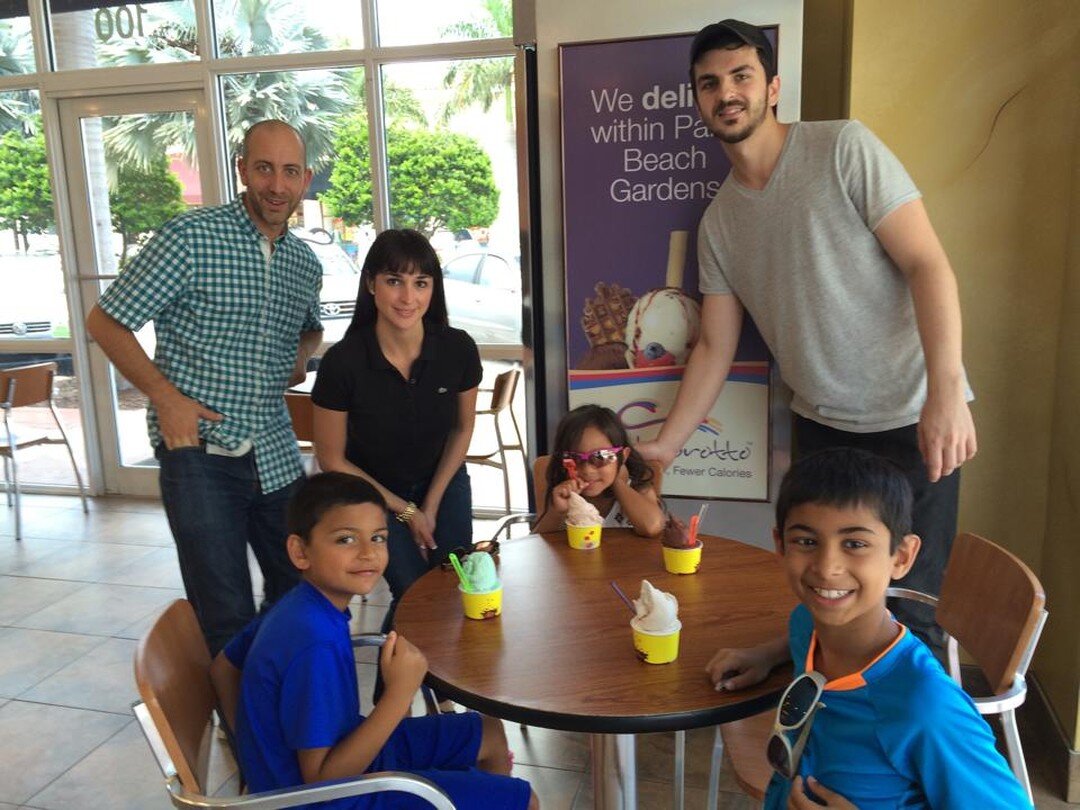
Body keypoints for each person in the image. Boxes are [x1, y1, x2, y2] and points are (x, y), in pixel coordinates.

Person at [637, 19, 977, 652]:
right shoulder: (718, 222)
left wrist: (947, 393)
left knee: (908, 617)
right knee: (824, 598)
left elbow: (929, 265)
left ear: (772, 87)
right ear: (698, 100)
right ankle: (819, 735)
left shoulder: (842, 148)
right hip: (820, 428)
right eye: (710, 83)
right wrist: (665, 447)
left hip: (911, 421)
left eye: (741, 76)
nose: (726, 93)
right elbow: (714, 345)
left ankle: (897, 752)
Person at [86, 119, 323, 655]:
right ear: (242, 169)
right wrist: (165, 397)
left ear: (306, 179)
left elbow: (311, 327)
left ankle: (263, 694)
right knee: (224, 610)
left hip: (276, 453)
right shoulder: (190, 238)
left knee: (300, 588)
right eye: (264, 168)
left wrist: (301, 355)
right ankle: (241, 730)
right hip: (200, 453)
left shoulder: (303, 263)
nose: (277, 185)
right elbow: (105, 321)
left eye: (289, 172)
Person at [705, 448, 1030, 809]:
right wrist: (766, 654)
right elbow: (802, 635)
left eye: (855, 544)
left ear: (901, 557)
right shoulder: (805, 625)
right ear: (780, 545)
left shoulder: (924, 707)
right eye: (807, 541)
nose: (827, 568)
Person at [226, 471, 537, 809]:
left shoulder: (297, 605)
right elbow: (324, 780)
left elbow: (222, 666)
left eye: (378, 537)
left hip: (342, 753)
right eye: (345, 539)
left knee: (487, 731)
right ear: (300, 551)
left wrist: (258, 759)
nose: (368, 553)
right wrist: (399, 693)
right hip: (327, 798)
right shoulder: (314, 642)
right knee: (525, 799)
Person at [311, 229, 481, 602]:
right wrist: (407, 512)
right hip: (373, 495)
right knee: (413, 592)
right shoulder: (343, 362)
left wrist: (431, 504)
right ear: (371, 283)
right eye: (394, 281)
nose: (408, 298)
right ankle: (399, 661)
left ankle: (432, 660)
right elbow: (331, 459)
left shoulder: (458, 349)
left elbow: (462, 428)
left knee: (454, 584)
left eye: (420, 283)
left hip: (443, 482)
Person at [532, 404, 665, 537]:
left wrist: (617, 482)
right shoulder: (565, 490)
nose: (587, 470)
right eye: (574, 458)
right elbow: (537, 543)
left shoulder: (636, 484)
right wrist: (557, 512)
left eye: (601, 456)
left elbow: (652, 526)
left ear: (623, 456)